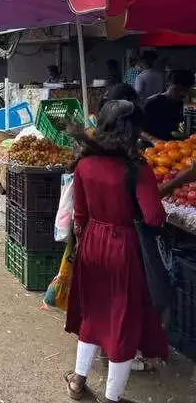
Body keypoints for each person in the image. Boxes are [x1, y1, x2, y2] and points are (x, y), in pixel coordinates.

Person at [64, 100, 168, 403]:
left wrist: (84, 242)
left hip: (91, 242)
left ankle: (78, 383)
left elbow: (80, 215)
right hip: (123, 246)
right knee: (123, 320)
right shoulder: (136, 168)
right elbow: (154, 217)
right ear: (133, 132)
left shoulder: (84, 163)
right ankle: (113, 397)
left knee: (93, 312)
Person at [142, 69, 193, 141]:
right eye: (177, 89)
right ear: (167, 86)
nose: (182, 93)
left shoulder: (186, 106)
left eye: (186, 90)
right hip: (155, 146)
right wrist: (154, 140)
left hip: (182, 146)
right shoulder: (152, 104)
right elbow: (141, 131)